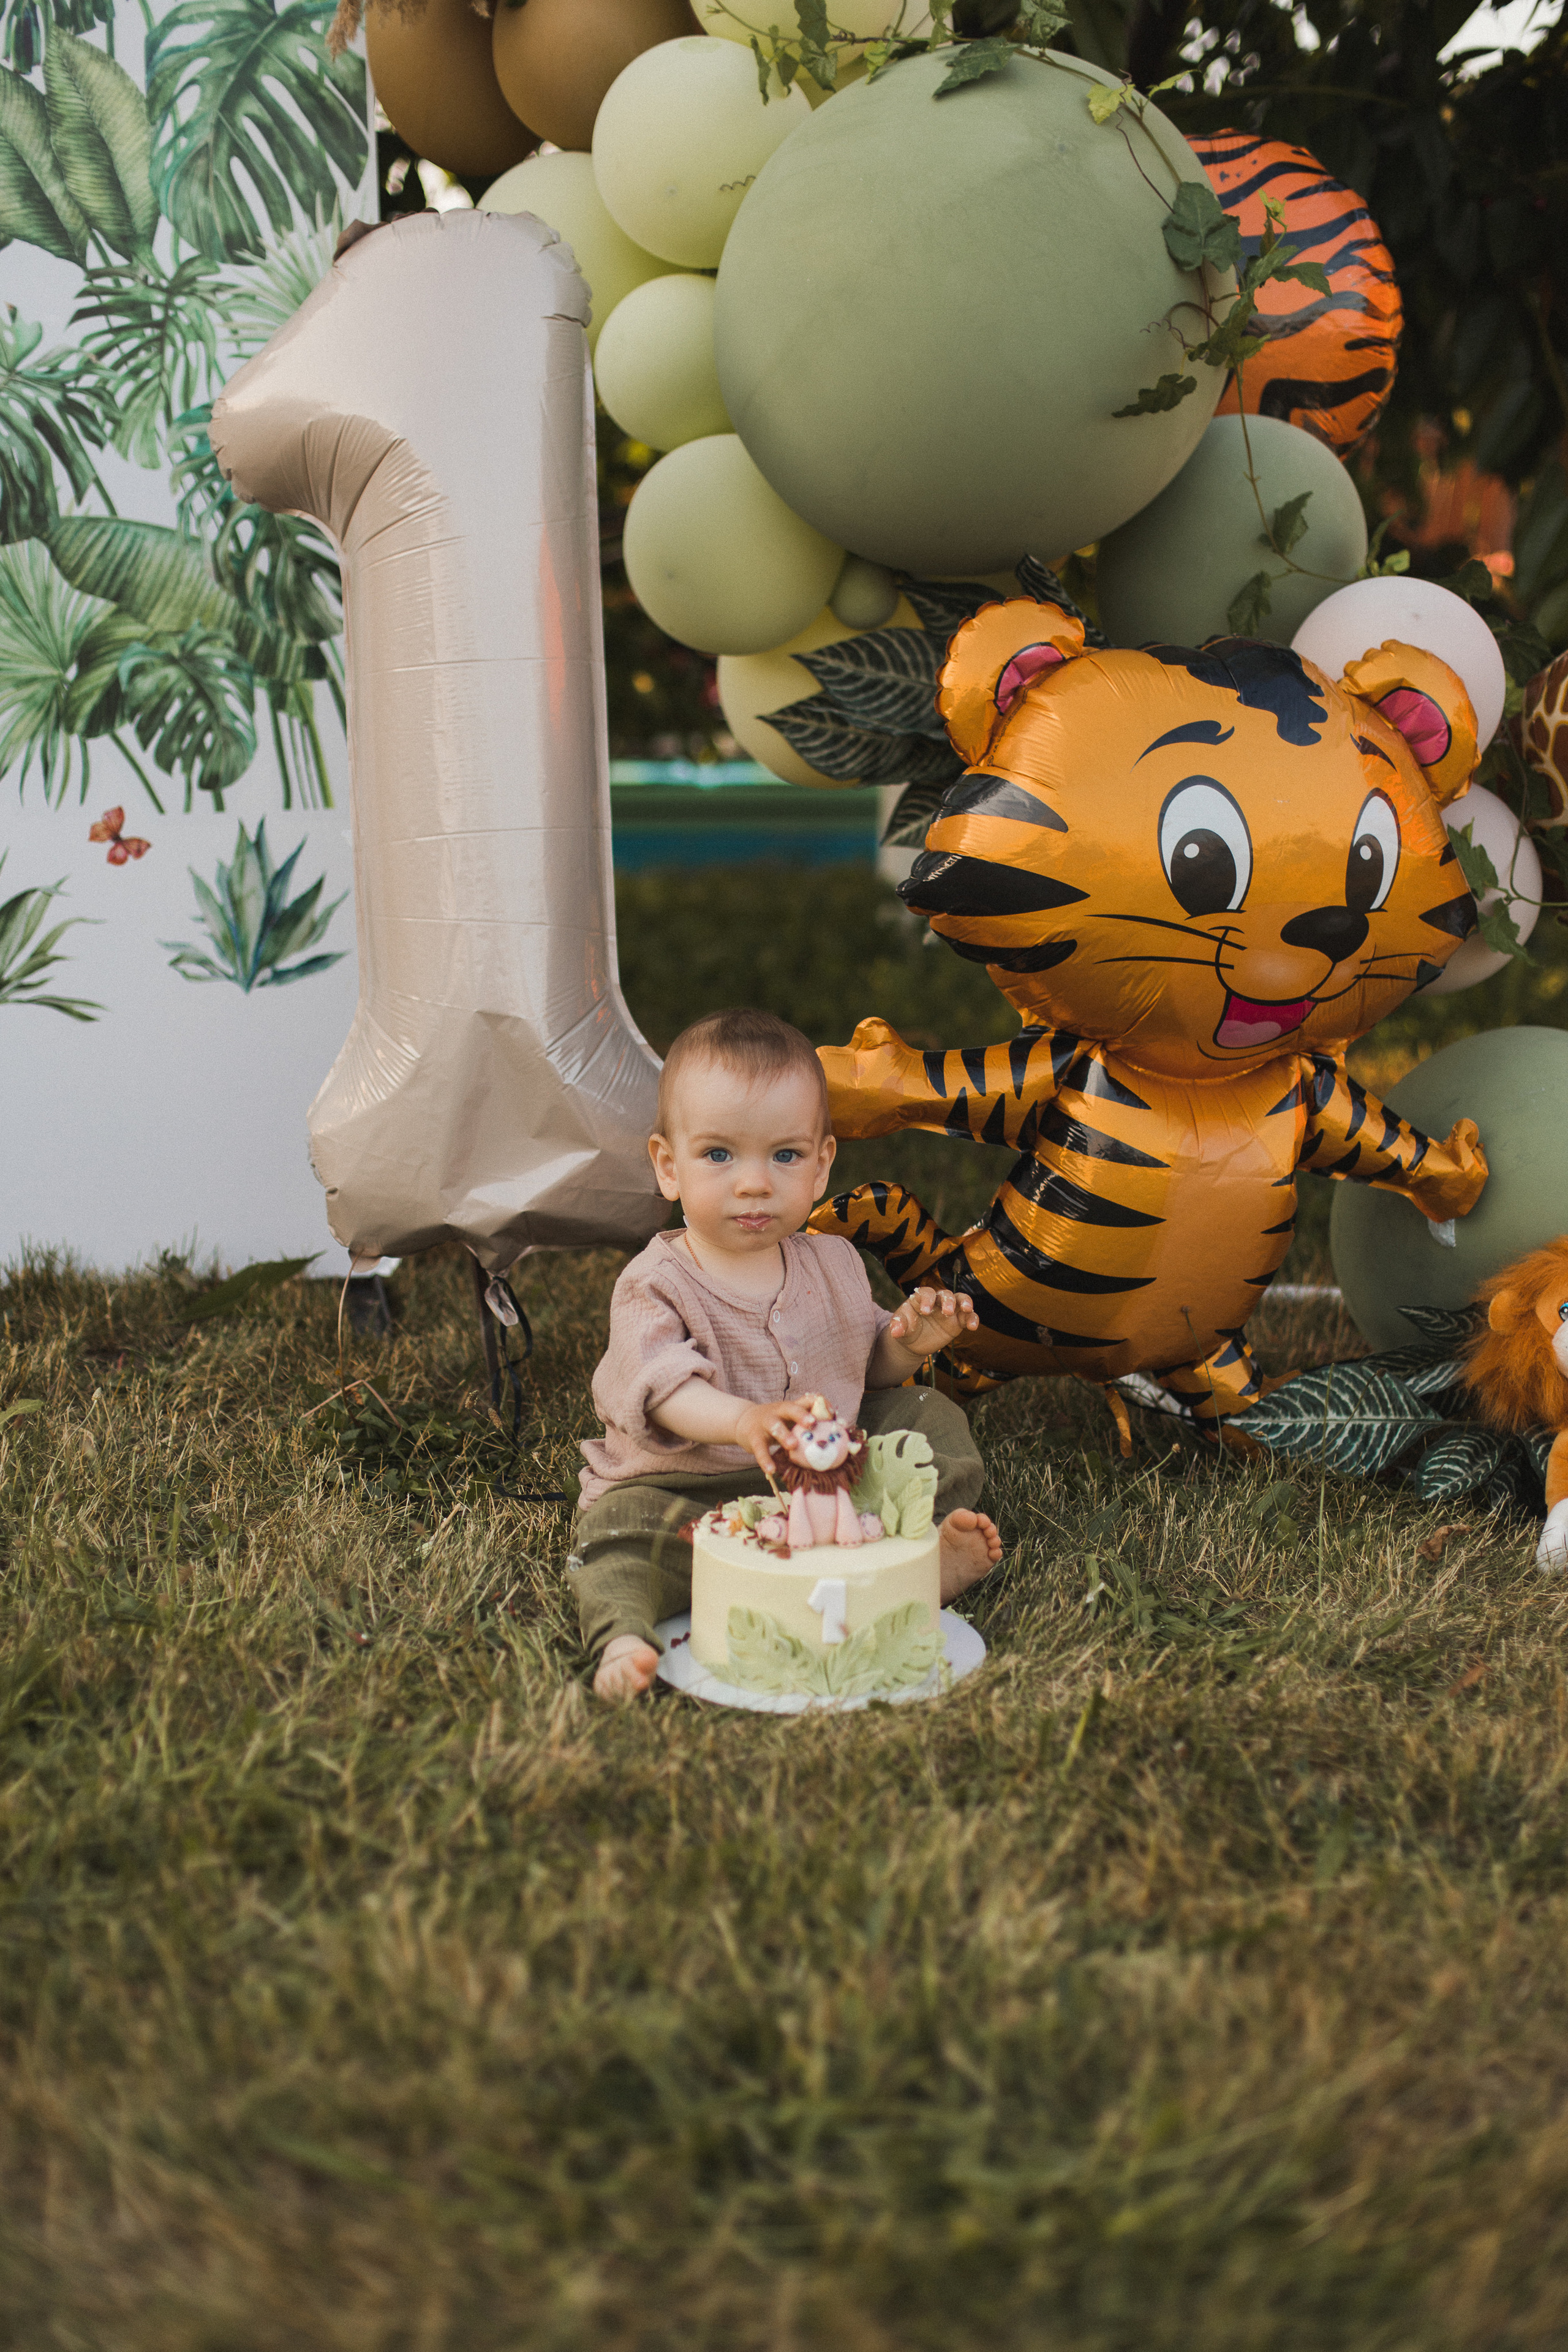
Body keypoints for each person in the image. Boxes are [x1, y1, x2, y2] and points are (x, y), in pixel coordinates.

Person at [572, 1007, 1003, 1700]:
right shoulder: (655, 1284)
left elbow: (865, 1367)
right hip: (687, 1491)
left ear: (822, 1164)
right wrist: (745, 1421)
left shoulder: (833, 1262)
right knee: (616, 1537)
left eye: (785, 1156)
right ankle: (623, 1635)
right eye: (719, 1155)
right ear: (668, 1167)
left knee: (929, 1418)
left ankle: (916, 1562)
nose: (755, 1183)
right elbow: (666, 1389)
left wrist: (908, 1343)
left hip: (831, 1483)